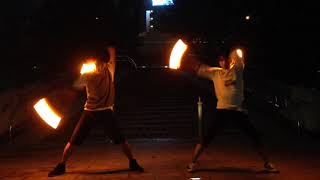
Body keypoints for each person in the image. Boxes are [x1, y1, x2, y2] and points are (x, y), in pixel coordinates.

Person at [48, 46, 144, 177]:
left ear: (100, 61)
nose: (95, 64)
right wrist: (82, 75)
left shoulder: (108, 69)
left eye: (95, 61)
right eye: (92, 61)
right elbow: (76, 86)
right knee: (73, 140)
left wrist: (109, 46)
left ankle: (132, 162)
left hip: (106, 112)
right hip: (90, 111)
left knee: (121, 139)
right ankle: (62, 165)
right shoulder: (88, 72)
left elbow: (112, 55)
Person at [183, 46, 279, 173]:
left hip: (238, 111)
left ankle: (268, 163)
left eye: (226, 60)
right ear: (219, 62)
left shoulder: (238, 69)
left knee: (255, 136)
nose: (224, 62)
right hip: (222, 110)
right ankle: (192, 163)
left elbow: (237, 54)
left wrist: (233, 50)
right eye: (221, 60)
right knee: (206, 137)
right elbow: (198, 67)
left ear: (231, 60)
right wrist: (185, 59)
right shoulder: (215, 72)